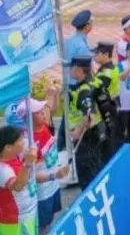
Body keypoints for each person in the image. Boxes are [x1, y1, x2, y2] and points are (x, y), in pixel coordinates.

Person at [24, 99, 67, 233]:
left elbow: (52, 107)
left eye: (42, 109)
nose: (43, 112)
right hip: (42, 193)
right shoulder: (28, 142)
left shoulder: (44, 126)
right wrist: (54, 175)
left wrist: (54, 94)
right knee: (43, 226)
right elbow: (30, 175)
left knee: (50, 221)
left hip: (53, 185)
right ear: (28, 118)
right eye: (37, 112)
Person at [66, 56, 105, 189]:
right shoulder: (93, 81)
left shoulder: (84, 90)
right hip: (97, 130)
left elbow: (88, 115)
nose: (69, 71)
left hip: (86, 135)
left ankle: (90, 194)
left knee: (86, 169)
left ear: (78, 70)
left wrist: (77, 132)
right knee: (95, 164)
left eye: (71, 68)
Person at [0, 125, 38, 235]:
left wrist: (53, 176)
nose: (24, 142)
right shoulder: (2, 169)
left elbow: (29, 178)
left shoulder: (15, 157)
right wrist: (27, 163)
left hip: (29, 214)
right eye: (20, 140)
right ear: (8, 147)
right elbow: (17, 186)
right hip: (15, 221)